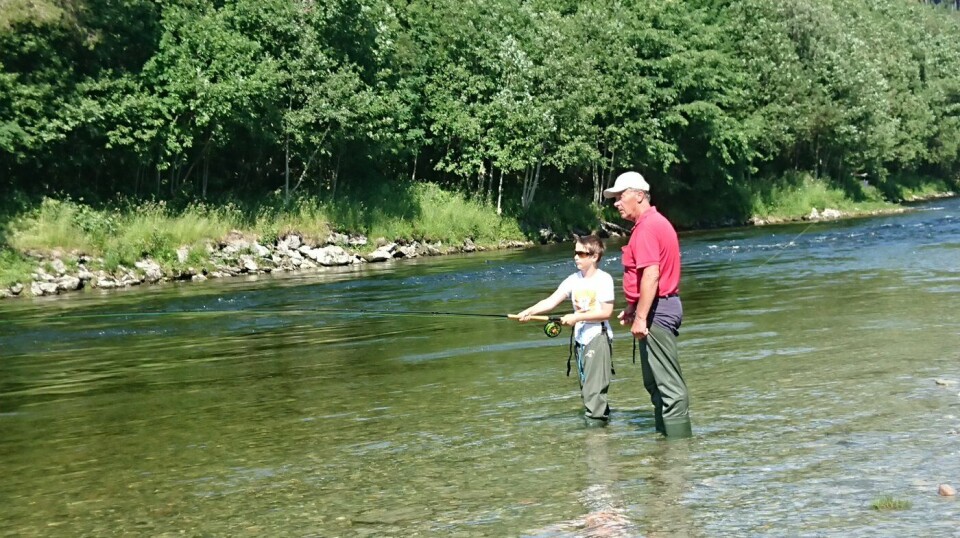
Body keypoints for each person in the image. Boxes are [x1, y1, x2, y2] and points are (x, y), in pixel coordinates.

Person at [603, 171, 692, 438]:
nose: (616, 202)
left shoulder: (648, 227)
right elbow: (648, 275)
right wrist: (634, 308)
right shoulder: (653, 224)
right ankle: (665, 447)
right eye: (615, 198)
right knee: (654, 383)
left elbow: (652, 273)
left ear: (639, 195)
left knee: (668, 386)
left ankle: (678, 451)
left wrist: (641, 316)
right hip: (656, 308)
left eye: (620, 196)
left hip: (658, 311)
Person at [515, 235, 615, 425]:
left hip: (598, 337)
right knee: (587, 390)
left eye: (580, 253)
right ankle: (603, 430)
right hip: (580, 340)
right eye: (575, 253)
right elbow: (550, 301)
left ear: (594, 257)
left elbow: (606, 312)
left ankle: (596, 440)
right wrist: (528, 312)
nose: (575, 257)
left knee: (593, 392)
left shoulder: (604, 280)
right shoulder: (573, 280)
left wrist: (576, 317)